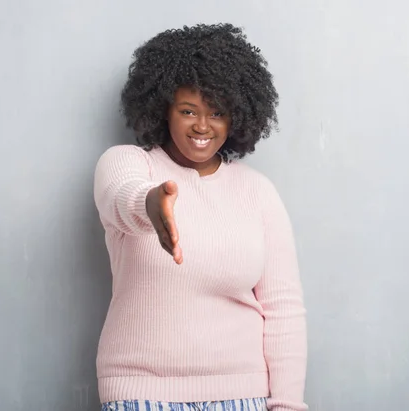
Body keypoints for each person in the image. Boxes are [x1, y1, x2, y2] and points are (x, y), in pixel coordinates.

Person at [93, 23, 308, 411]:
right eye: (188, 111)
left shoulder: (257, 192)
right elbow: (121, 197)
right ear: (163, 109)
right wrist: (151, 205)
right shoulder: (128, 163)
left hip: (244, 397)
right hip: (142, 394)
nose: (203, 127)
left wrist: (287, 404)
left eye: (217, 112)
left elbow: (283, 309)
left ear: (239, 116)